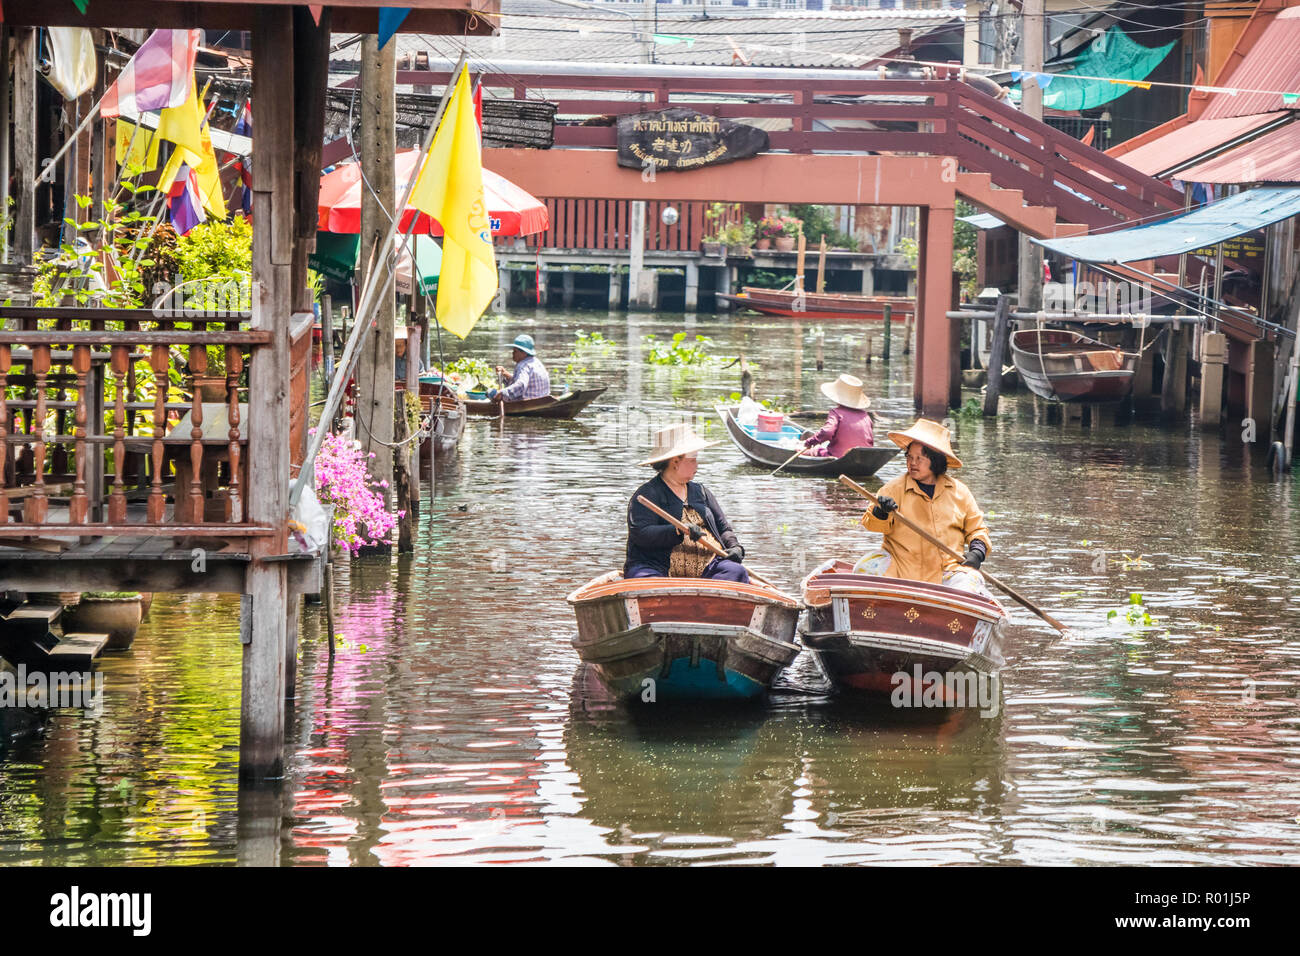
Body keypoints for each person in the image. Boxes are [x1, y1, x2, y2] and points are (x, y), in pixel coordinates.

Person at [855, 418, 992, 598]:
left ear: (935, 461)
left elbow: (977, 529)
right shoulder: (893, 489)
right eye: (910, 457)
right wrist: (881, 512)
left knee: (972, 581)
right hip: (900, 569)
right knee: (863, 569)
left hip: (946, 572)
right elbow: (871, 525)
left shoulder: (960, 492)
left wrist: (977, 553)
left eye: (920, 458)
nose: (913, 463)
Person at [624, 424, 749, 583]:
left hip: (708, 567)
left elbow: (723, 528)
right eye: (692, 460)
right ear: (675, 462)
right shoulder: (647, 495)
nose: (697, 465)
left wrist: (735, 547)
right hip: (656, 566)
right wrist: (677, 530)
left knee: (736, 572)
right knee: (646, 582)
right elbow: (641, 534)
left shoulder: (701, 493)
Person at [801, 373, 874, 457]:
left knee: (810, 450)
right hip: (863, 457)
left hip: (838, 456)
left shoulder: (836, 413)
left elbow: (827, 432)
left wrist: (809, 442)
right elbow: (870, 441)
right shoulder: (865, 416)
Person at [489, 333, 551, 402]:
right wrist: (505, 374)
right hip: (542, 399)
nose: (513, 353)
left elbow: (520, 385)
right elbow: (521, 380)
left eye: (515, 351)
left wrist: (502, 393)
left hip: (529, 403)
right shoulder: (536, 361)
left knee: (490, 393)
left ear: (524, 353)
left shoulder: (523, 365)